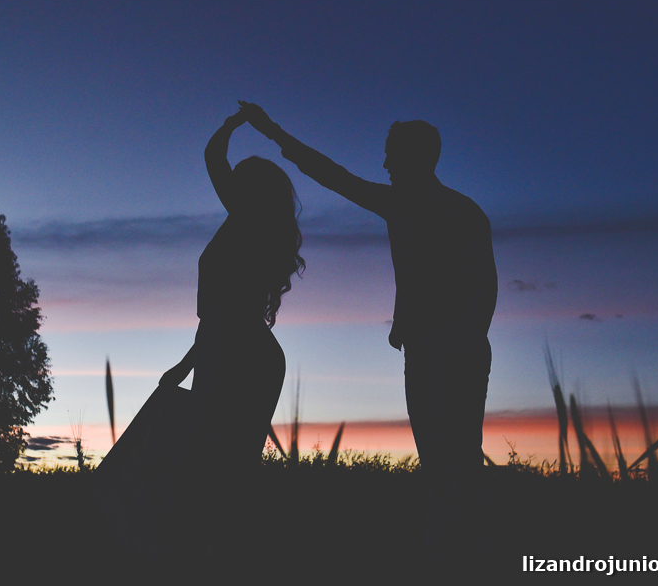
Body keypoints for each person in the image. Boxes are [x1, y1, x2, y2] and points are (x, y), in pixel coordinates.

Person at [238, 101, 497, 559]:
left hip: (454, 351)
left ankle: (472, 556)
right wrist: (273, 130)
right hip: (422, 350)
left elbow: (484, 286)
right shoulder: (401, 204)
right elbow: (330, 174)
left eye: (391, 154)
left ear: (416, 157)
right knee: (438, 464)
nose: (385, 164)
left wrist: (463, 343)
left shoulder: (460, 212)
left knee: (458, 461)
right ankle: (443, 556)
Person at [158, 106, 305, 563]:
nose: (229, 186)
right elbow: (224, 316)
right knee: (225, 470)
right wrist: (185, 365)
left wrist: (233, 125)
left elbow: (212, 157)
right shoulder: (250, 227)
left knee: (215, 469)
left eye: (239, 181)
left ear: (250, 192)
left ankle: (215, 559)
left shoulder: (246, 224)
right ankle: (224, 558)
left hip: (234, 353)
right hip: (242, 349)